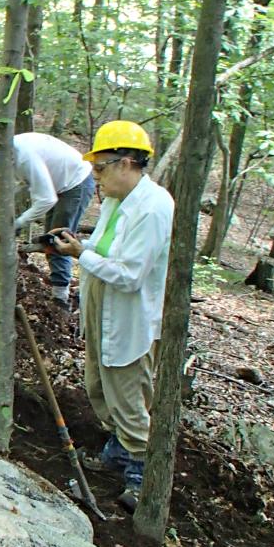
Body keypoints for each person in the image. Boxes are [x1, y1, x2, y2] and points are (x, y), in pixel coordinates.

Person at [48, 120, 173, 512]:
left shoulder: (153, 208)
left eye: (100, 169)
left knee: (127, 392)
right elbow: (104, 252)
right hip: (102, 306)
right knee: (98, 383)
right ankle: (118, 449)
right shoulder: (119, 202)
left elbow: (131, 274)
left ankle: (140, 471)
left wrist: (79, 255)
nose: (96, 179)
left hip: (128, 313)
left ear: (128, 163)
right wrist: (79, 246)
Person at [0, 131, 96, 307]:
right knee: (52, 239)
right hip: (60, 183)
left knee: (58, 240)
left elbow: (46, 198)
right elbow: (24, 182)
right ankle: (60, 290)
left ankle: (61, 298)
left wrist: (20, 222)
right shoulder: (13, 152)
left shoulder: (25, 157)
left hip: (76, 183)